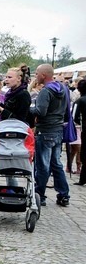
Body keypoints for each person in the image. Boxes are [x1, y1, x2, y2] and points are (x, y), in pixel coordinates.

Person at [30, 64, 69, 207]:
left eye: (37, 73)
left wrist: (30, 108)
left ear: (43, 75)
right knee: (56, 164)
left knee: (43, 166)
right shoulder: (62, 89)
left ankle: (40, 194)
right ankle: (64, 194)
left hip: (45, 131)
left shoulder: (46, 91)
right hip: (58, 130)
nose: (35, 76)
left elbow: (41, 112)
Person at [73, 79, 86, 186]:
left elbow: (74, 116)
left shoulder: (80, 101)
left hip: (85, 130)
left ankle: (83, 178)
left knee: (84, 155)